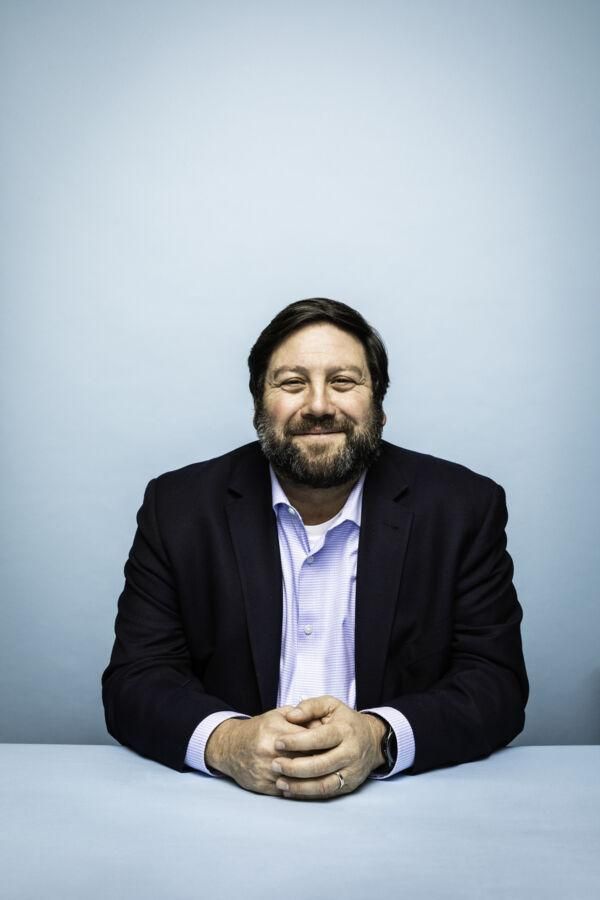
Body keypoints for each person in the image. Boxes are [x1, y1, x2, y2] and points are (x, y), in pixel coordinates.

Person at [102, 298, 528, 800]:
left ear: (380, 406)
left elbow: (494, 682)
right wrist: (227, 741)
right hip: (221, 811)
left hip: (406, 812)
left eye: (344, 382)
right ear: (259, 403)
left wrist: (379, 737)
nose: (320, 405)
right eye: (292, 383)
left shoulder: (464, 508)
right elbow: (136, 679)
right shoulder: (177, 508)